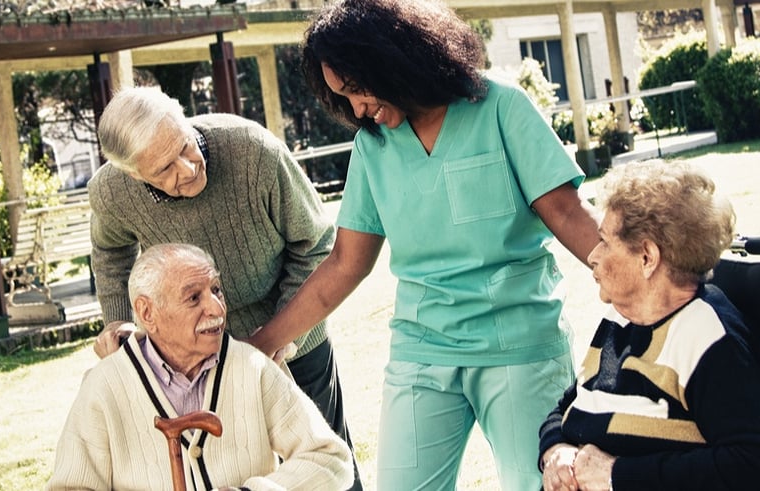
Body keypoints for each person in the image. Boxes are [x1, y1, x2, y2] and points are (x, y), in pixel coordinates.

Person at [244, 0, 602, 489]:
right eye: (342, 99)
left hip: (518, 341)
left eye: (357, 90)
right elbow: (347, 262)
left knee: (540, 484)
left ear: (395, 58)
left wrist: (645, 282)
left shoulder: (499, 106)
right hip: (422, 348)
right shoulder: (374, 144)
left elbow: (566, 214)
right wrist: (263, 343)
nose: (356, 110)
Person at [87, 86, 363, 489]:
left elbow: (317, 244)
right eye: (164, 169)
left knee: (326, 466)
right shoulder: (111, 191)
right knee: (231, 470)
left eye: (185, 146)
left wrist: (275, 338)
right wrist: (119, 327)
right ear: (132, 173)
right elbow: (111, 255)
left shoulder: (253, 150)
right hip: (197, 356)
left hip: (292, 328)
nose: (186, 169)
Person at [537, 160, 760, 491]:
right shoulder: (621, 320)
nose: (594, 256)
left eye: (605, 242)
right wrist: (555, 449)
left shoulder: (706, 338)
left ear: (647, 257)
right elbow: (571, 405)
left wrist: (617, 475)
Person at [47, 244, 353, 491]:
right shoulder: (104, 387)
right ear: (147, 312)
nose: (216, 308)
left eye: (216, 290)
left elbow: (331, 459)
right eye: (194, 297)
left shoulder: (251, 368)